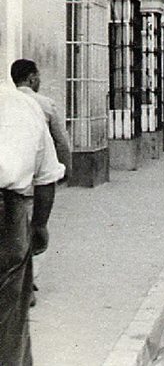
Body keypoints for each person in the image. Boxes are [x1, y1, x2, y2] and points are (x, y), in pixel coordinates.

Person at [0, 84, 64, 365]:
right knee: (10, 310)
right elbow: (47, 177)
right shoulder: (25, 105)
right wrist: (39, 225)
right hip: (9, 213)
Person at [11, 59, 72, 307]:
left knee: (16, 232)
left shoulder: (9, 104)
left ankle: (22, 284)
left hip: (14, 180)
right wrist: (66, 169)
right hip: (39, 179)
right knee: (37, 229)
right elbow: (61, 140)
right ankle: (29, 282)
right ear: (33, 78)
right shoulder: (45, 105)